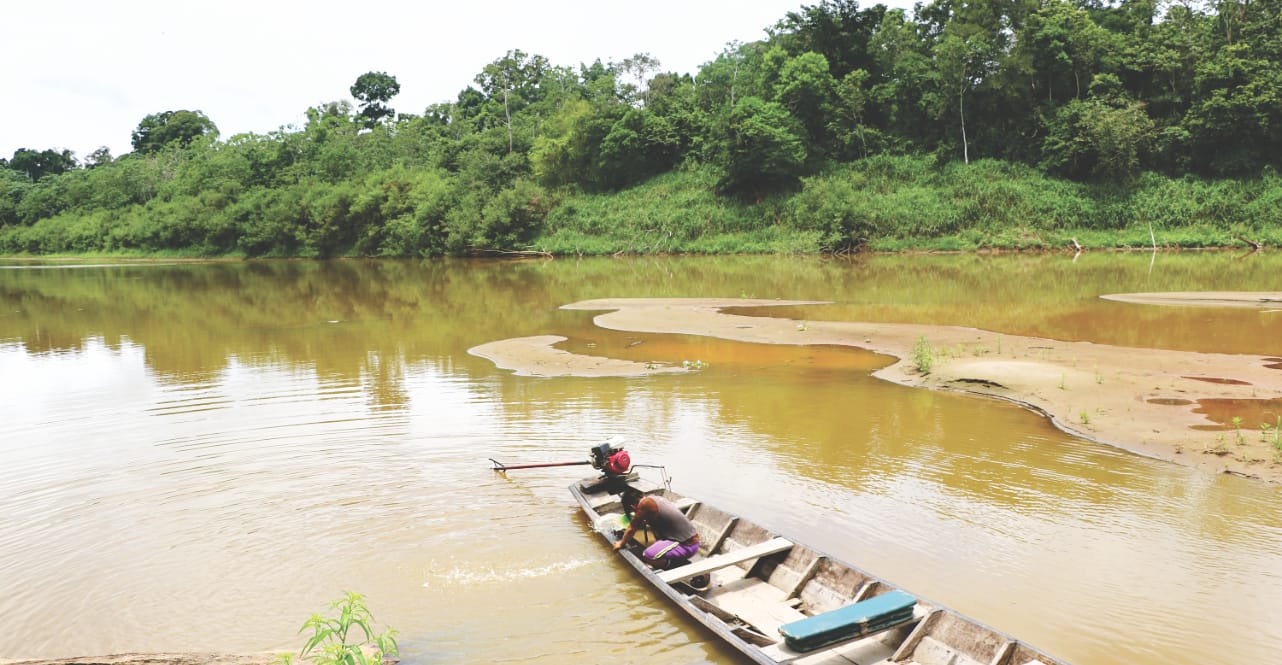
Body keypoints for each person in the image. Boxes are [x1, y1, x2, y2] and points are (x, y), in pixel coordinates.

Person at [612, 489, 700, 570]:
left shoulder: (644, 504)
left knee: (647, 555)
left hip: (686, 545)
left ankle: (672, 567)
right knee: (656, 538)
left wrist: (621, 543)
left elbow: (632, 528)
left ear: (632, 507)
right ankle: (671, 559)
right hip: (692, 540)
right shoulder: (655, 498)